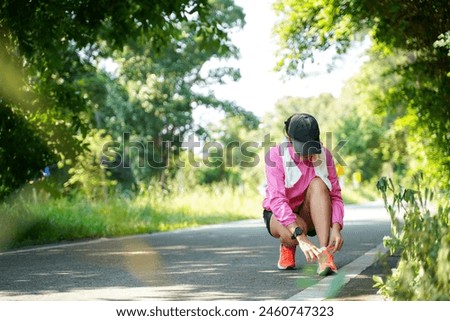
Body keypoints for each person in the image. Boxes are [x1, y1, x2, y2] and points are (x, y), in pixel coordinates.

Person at [262, 113, 344, 276]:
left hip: (310, 213)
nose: (308, 155)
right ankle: (287, 246)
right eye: (302, 150)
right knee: (290, 236)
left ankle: (324, 253)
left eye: (311, 148)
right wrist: (300, 236)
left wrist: (336, 228)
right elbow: (277, 200)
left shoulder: (325, 155)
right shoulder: (275, 155)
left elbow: (335, 195)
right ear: (289, 139)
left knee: (319, 183)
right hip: (280, 214)